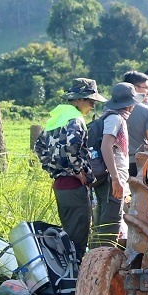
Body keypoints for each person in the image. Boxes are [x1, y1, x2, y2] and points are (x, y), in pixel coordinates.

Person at [32, 77, 105, 261]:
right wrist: (78, 170)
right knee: (78, 237)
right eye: (91, 101)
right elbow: (73, 146)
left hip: (60, 184)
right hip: (74, 185)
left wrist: (53, 169)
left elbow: (38, 147)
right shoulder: (75, 119)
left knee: (69, 232)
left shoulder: (55, 118)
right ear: (79, 100)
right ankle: (76, 280)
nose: (93, 106)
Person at [87, 82, 139, 249]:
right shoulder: (115, 119)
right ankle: (102, 262)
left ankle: (95, 258)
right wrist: (116, 178)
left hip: (111, 178)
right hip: (112, 179)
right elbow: (106, 146)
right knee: (111, 223)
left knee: (103, 221)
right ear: (130, 105)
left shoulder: (112, 116)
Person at [121, 70, 148, 176]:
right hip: (138, 164)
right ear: (134, 88)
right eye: (146, 88)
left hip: (116, 164)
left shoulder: (109, 108)